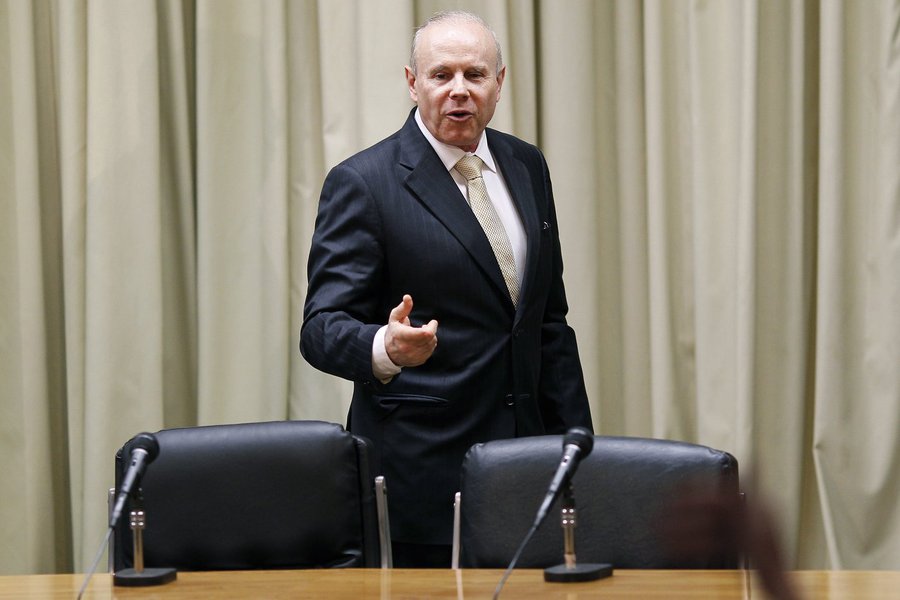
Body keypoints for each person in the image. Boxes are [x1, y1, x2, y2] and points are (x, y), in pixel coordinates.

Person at [300, 10, 593, 567]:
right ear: (413, 83)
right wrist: (385, 348)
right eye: (441, 76)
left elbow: (548, 321)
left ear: (499, 84)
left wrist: (579, 447)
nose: (459, 91)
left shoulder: (527, 165)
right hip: (424, 479)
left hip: (531, 465)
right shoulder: (364, 182)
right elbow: (319, 329)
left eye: (475, 75)